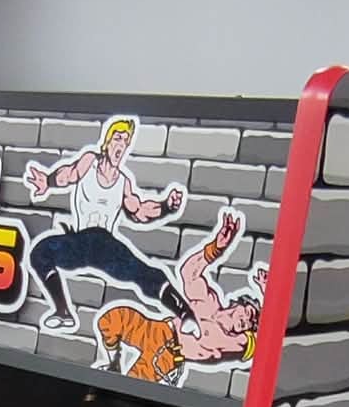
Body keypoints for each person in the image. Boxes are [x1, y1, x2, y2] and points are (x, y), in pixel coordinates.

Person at [25, 117, 188, 329]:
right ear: (107, 142)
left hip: (106, 247)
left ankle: (186, 314)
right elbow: (70, 174)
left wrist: (166, 206)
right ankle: (62, 311)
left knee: (147, 274)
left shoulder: (123, 182)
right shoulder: (90, 161)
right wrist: (48, 181)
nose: (121, 145)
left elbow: (140, 211)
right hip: (80, 243)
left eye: (125, 141)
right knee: (40, 252)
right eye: (118, 138)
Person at [94, 211, 262, 385]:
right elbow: (189, 272)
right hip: (158, 331)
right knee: (111, 320)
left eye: (252, 324)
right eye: (249, 314)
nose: (248, 321)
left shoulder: (236, 342)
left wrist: (267, 294)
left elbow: (265, 344)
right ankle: (114, 364)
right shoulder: (208, 301)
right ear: (239, 303)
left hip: (167, 357)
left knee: (129, 387)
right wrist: (215, 249)